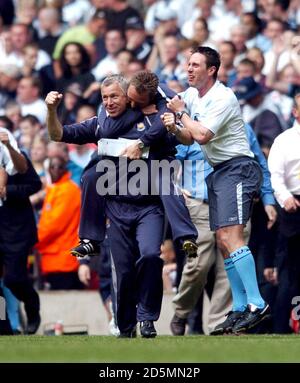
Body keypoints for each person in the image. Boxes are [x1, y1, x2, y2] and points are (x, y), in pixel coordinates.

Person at [45, 74, 167, 338]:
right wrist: (51, 110)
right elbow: (58, 134)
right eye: (104, 97)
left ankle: (147, 318)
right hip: (117, 209)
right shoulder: (99, 123)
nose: (109, 102)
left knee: (149, 256)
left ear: (128, 96)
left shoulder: (151, 116)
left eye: (114, 96)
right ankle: (125, 328)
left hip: (149, 206)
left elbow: (174, 123)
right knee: (122, 273)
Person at [161, 46, 270, 334]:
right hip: (221, 171)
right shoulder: (194, 96)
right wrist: (174, 126)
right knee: (223, 241)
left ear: (212, 70)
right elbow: (187, 138)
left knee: (232, 237)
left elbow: (202, 134)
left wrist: (181, 113)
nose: (189, 69)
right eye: (188, 64)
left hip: (237, 168)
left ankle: (257, 303)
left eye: (196, 65)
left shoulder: (223, 96)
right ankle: (238, 308)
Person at [169, 123, 277, 336]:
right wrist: (174, 190)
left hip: (237, 200)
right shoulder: (191, 127)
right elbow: (172, 160)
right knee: (198, 266)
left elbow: (259, 163)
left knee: (229, 270)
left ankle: (221, 324)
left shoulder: (242, 128)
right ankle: (182, 311)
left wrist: (268, 199)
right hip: (199, 203)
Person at [268, 93, 300, 332]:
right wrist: (285, 198)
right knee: (290, 270)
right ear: (295, 112)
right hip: (294, 205)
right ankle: (281, 326)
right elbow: (276, 176)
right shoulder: (284, 140)